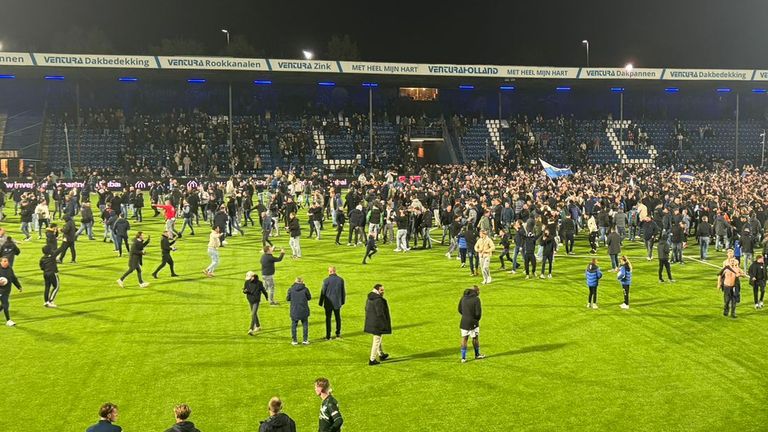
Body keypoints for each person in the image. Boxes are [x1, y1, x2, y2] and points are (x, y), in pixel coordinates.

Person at [364, 283, 391, 365]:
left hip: (371, 322)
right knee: (376, 340)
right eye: (381, 290)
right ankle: (372, 359)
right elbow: (380, 313)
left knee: (377, 339)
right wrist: (384, 324)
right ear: (377, 290)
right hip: (377, 323)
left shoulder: (370, 297)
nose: (383, 292)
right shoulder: (378, 300)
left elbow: (366, 309)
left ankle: (381, 354)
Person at [459, 285, 485, 363]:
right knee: (475, 338)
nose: (479, 292)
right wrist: (476, 319)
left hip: (463, 322)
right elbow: (478, 313)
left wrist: (465, 315)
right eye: (478, 291)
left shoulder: (463, 297)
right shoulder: (476, 299)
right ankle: (477, 355)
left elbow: (459, 309)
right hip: (473, 322)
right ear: (475, 291)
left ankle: (463, 358)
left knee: (464, 338)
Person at [319, 266, 346, 340]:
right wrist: (342, 301)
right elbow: (343, 292)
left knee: (328, 318)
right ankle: (338, 334)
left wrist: (321, 302)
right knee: (338, 318)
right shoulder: (340, 280)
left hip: (328, 303)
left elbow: (323, 292)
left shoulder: (326, 280)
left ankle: (328, 336)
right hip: (337, 302)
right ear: (335, 271)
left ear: (330, 271)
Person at [718, 248, 744, 318]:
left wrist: (741, 274)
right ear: (727, 254)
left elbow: (738, 269)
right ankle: (726, 310)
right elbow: (722, 274)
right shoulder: (725, 263)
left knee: (734, 298)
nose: (731, 254)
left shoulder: (736, 261)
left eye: (732, 253)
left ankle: (733, 313)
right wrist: (719, 283)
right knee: (727, 300)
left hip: (735, 283)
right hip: (727, 283)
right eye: (729, 253)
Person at [286, 276, 311, 345]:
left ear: (295, 281)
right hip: (303, 310)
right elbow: (309, 297)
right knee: (305, 325)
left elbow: (287, 299)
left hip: (294, 310)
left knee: (294, 325)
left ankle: (294, 340)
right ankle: (305, 340)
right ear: (302, 282)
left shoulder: (291, 289)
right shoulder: (305, 289)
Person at [243, 271, 269, 335]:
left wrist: (266, 297)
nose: (248, 279)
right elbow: (244, 290)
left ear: (253, 277)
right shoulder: (247, 282)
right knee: (254, 313)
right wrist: (245, 291)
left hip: (256, 300)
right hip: (250, 300)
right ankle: (258, 326)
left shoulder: (259, 283)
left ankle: (251, 329)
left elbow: (263, 290)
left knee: (253, 314)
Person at [0, 256, 22, 327]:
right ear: (0, 262)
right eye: (4, 261)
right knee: (6, 304)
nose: (6, 262)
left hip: (7, 291)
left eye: (7, 261)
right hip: (1, 291)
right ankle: (8, 320)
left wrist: (18, 286)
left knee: (3, 305)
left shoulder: (9, 269)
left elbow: (13, 278)